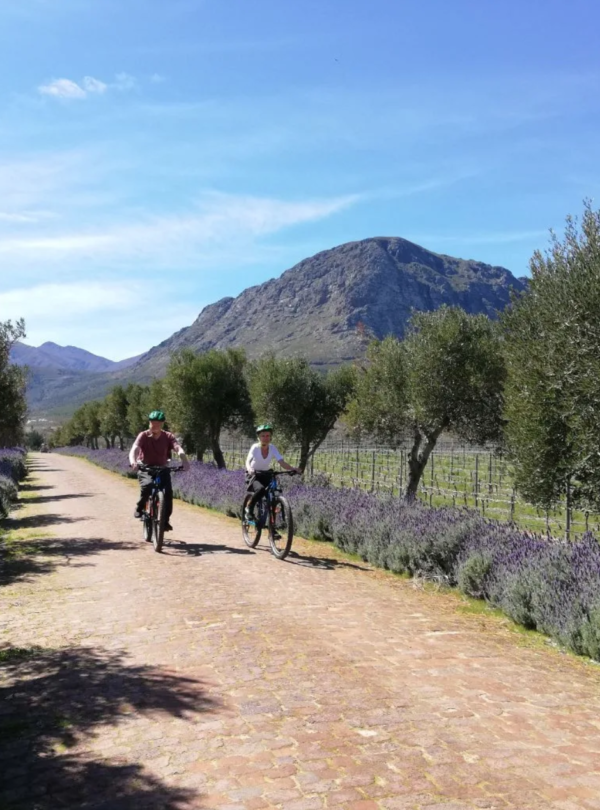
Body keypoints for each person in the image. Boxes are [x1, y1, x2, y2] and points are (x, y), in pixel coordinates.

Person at [129, 411, 189, 531]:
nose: (154, 425)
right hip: (146, 468)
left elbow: (178, 448)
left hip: (162, 469)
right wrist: (133, 461)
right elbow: (135, 449)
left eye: (157, 423)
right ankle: (140, 507)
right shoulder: (144, 435)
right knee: (147, 486)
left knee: (167, 494)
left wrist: (184, 460)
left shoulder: (168, 436)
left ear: (162, 424)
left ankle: (164, 521)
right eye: (152, 422)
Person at [244, 424, 300, 522]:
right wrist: (249, 469)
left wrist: (292, 469)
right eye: (263, 436)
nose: (266, 438)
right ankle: (249, 508)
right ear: (259, 437)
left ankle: (272, 528)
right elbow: (248, 461)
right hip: (254, 475)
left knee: (274, 494)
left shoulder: (272, 448)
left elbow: (281, 462)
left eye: (268, 436)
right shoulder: (255, 447)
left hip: (266, 474)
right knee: (261, 490)